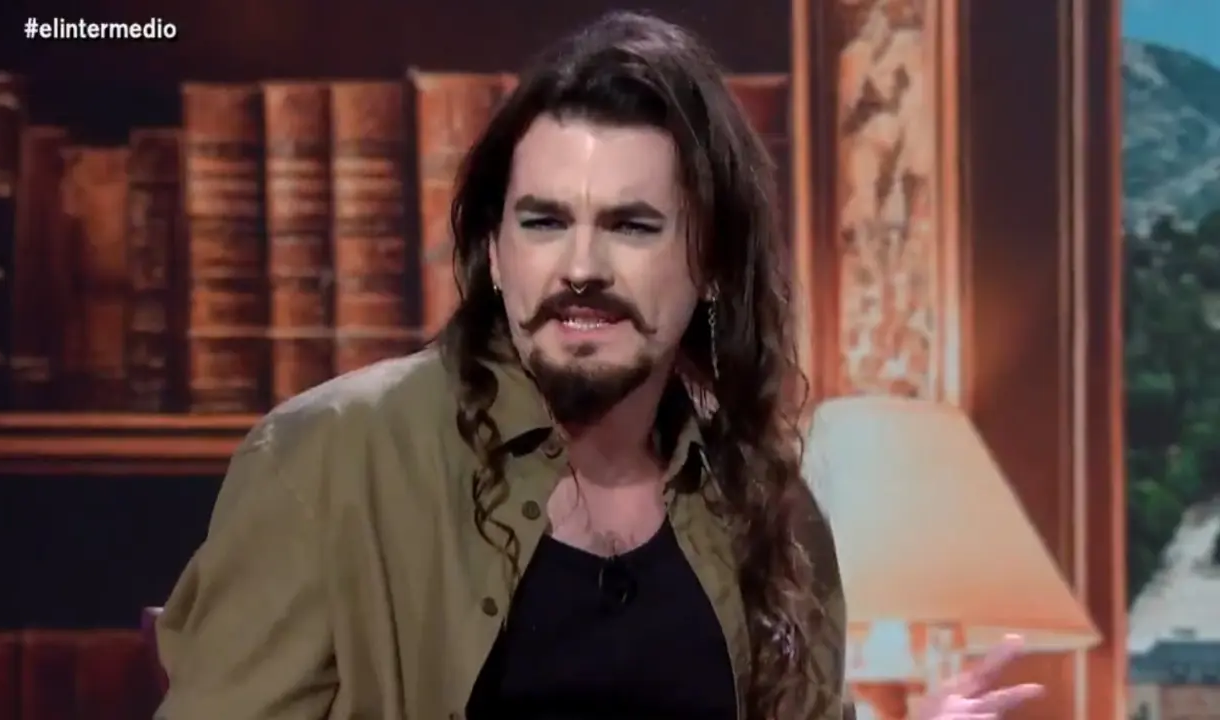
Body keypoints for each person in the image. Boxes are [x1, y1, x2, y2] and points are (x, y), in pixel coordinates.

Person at [155, 11, 1044, 720]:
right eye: (544, 222)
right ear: (494, 251)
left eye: (631, 225)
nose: (580, 266)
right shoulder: (330, 459)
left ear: (711, 263)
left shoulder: (764, 505)